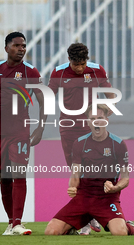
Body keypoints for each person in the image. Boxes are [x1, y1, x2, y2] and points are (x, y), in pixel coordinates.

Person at [0, 32, 46, 235]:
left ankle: (17, 223)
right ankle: (10, 223)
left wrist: (40, 128)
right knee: (4, 177)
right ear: (6, 48)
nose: (21, 49)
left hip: (20, 133)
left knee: (19, 175)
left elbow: (44, 101)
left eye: (23, 45)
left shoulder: (30, 71)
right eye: (16, 45)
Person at [44, 104, 134, 236]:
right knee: (50, 231)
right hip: (84, 197)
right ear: (88, 122)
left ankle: (132, 228)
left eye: (100, 117)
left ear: (106, 120)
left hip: (107, 199)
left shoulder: (118, 144)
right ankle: (72, 228)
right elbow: (75, 173)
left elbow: (126, 178)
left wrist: (114, 188)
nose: (96, 121)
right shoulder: (79, 143)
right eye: (92, 118)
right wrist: (72, 187)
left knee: (120, 233)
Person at [48, 43, 116, 234]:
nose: (79, 68)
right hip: (68, 129)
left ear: (87, 60)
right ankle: (87, 217)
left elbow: (110, 92)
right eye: (76, 64)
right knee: (75, 171)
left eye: (82, 64)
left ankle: (88, 217)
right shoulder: (59, 72)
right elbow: (46, 96)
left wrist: (109, 104)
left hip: (92, 128)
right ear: (69, 60)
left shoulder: (96, 70)